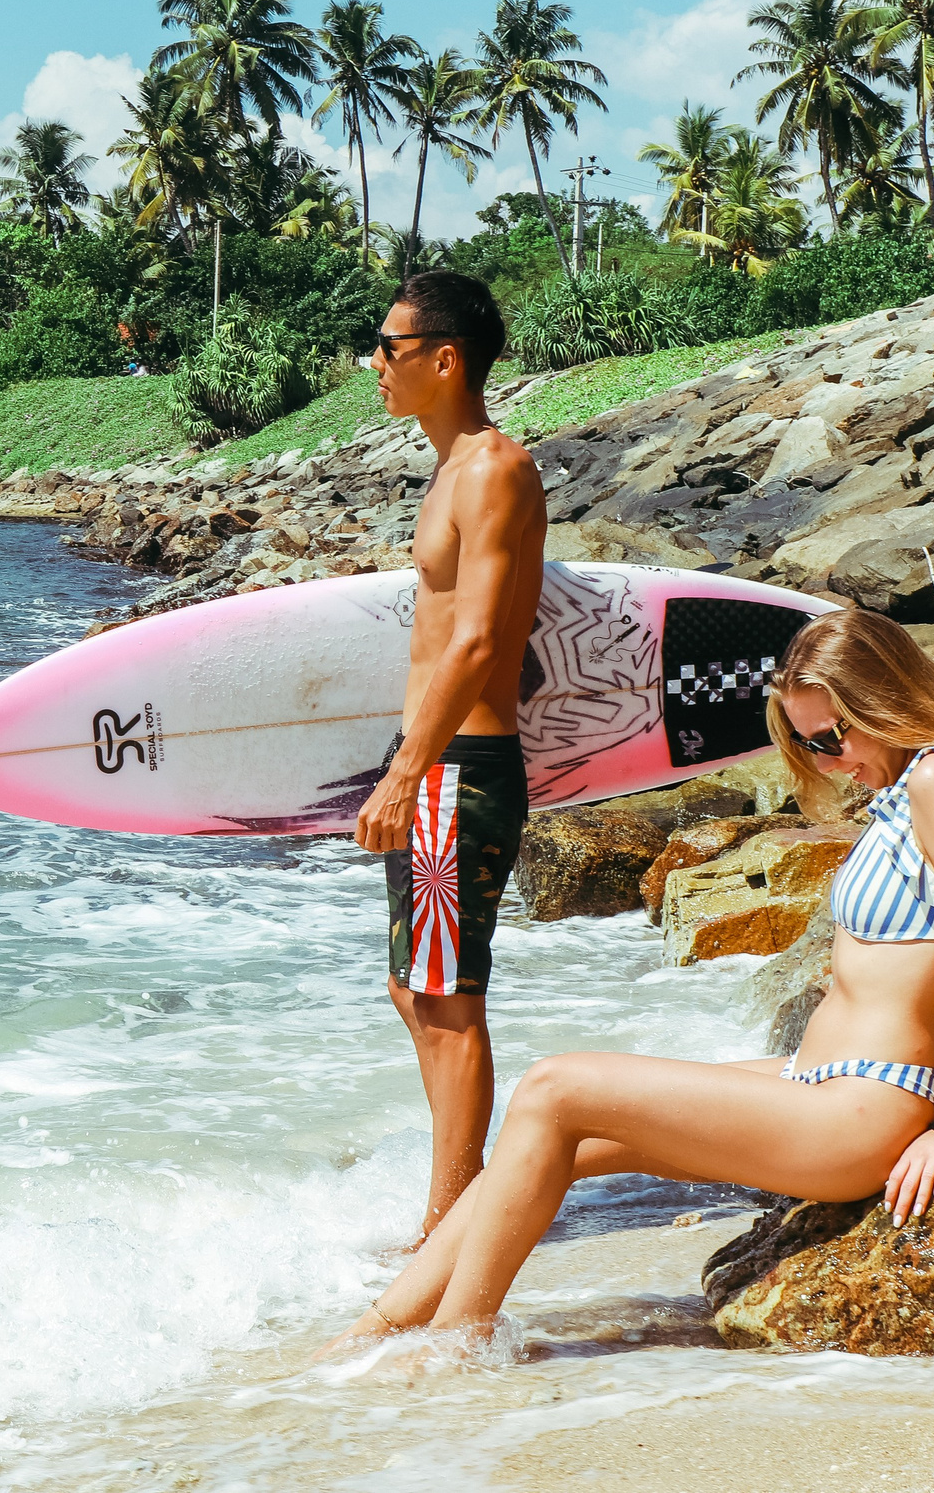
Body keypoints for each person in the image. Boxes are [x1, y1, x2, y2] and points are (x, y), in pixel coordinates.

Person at [327, 607, 934, 1351]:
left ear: (888, 698)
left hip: (863, 1109)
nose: (825, 760)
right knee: (554, 1141)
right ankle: (367, 1334)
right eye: (804, 741)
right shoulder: (902, 788)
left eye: (833, 736)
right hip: (818, 1085)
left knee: (553, 1086)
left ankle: (454, 1348)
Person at [353, 271, 549, 1243]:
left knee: (443, 997)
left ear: (444, 359)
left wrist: (406, 773)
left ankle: (451, 1223)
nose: (372, 365)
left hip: (456, 766)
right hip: (436, 759)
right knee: (413, 983)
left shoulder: (492, 470)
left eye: (385, 348)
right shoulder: (452, 470)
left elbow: (476, 644)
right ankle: (461, 1192)